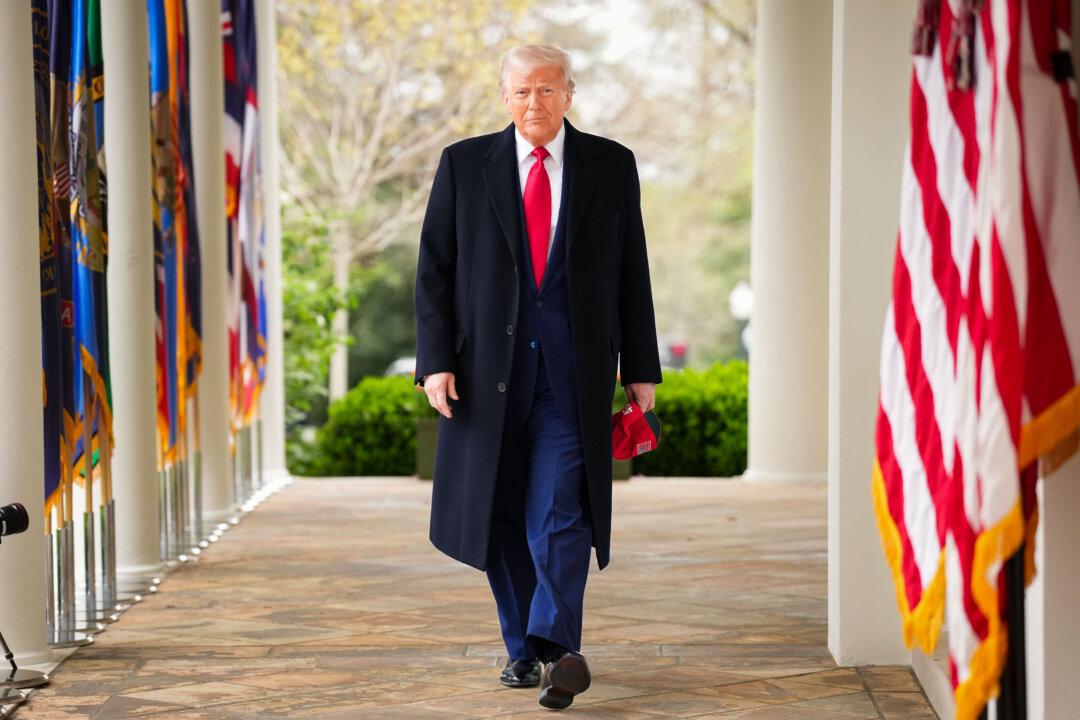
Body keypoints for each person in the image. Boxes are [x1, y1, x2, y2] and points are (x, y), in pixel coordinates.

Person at [413, 43, 661, 711]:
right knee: (498, 513)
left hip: (571, 377)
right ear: (504, 98)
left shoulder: (611, 166)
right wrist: (433, 362)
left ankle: (555, 646)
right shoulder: (464, 166)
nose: (534, 103)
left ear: (569, 95)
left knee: (558, 508)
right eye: (522, 92)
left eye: (547, 90)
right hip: (482, 376)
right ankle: (524, 650)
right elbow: (434, 269)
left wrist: (640, 368)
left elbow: (631, 268)